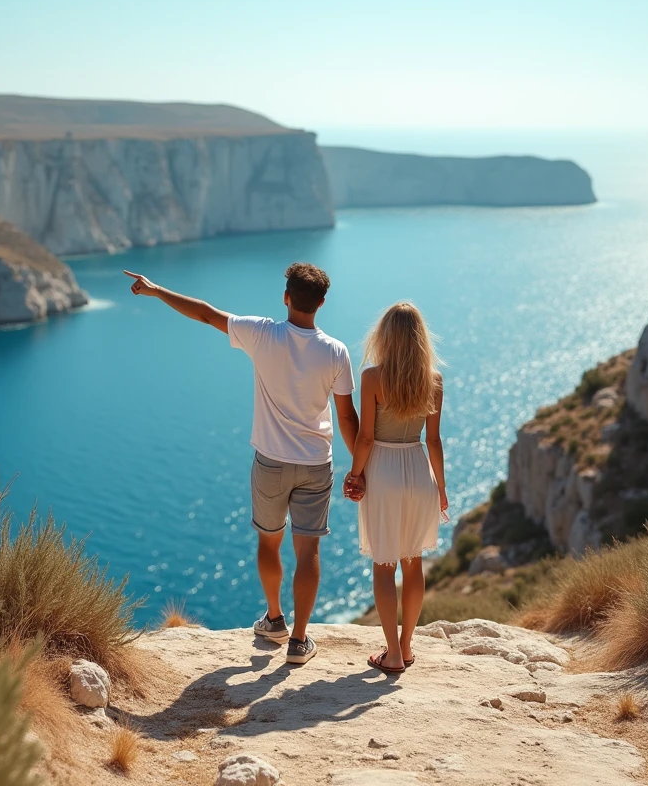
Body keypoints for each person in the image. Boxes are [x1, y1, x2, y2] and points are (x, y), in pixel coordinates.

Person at [124, 263, 359, 665]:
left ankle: (274, 619)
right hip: (317, 464)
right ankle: (299, 643)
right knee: (309, 552)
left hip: (270, 462)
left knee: (269, 541)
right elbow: (347, 417)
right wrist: (361, 467)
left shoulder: (262, 333)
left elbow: (204, 312)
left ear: (286, 297)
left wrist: (156, 289)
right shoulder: (336, 351)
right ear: (321, 303)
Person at [343, 302, 447, 675]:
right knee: (413, 562)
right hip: (420, 471)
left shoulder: (373, 377)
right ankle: (406, 646)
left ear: (385, 336)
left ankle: (392, 654)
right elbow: (434, 441)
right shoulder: (433, 380)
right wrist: (442, 489)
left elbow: (367, 437)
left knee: (384, 566)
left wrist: (355, 475)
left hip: (384, 471)